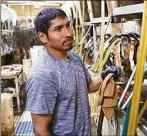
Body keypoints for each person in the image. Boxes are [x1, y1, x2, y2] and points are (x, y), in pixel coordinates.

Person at [26, 8, 121, 136]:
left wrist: (105, 75)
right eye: (58, 29)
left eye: (68, 25)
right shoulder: (43, 74)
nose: (68, 33)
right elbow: (40, 130)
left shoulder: (73, 57)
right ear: (43, 37)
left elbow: (88, 86)